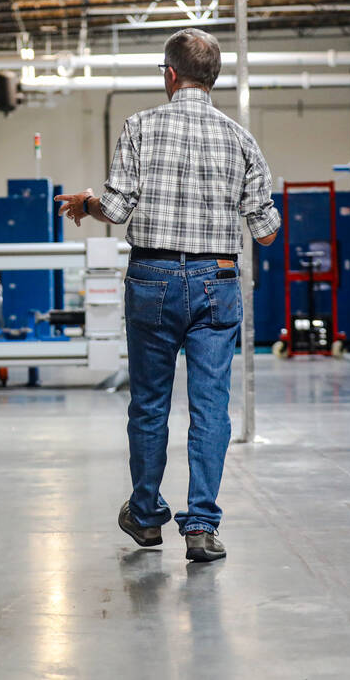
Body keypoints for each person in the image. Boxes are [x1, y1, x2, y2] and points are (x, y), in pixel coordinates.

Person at [55, 29, 280, 562]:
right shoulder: (240, 139)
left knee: (150, 403)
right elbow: (266, 231)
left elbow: (115, 208)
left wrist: (87, 202)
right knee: (210, 408)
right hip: (218, 282)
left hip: (152, 278)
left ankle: (147, 514)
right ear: (213, 78)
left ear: (170, 74)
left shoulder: (139, 127)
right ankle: (201, 525)